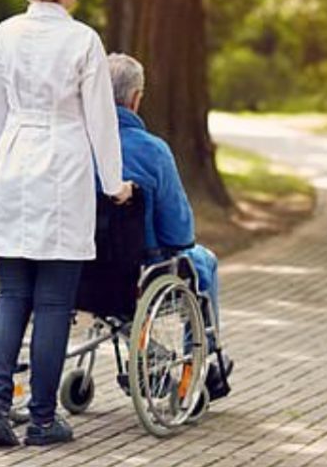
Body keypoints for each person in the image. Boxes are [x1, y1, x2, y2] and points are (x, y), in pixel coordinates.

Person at [0, 0, 133, 448]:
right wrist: (115, 184)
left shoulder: (5, 34)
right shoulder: (83, 41)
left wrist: (13, 154)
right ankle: (43, 420)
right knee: (51, 303)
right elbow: (101, 122)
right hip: (63, 173)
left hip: (13, 167)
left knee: (10, 293)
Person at [106, 53, 233, 400]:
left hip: (85, 272)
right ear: (135, 98)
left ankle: (152, 350)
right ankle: (207, 359)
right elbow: (180, 234)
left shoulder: (77, 145)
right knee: (203, 260)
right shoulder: (153, 151)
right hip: (142, 269)